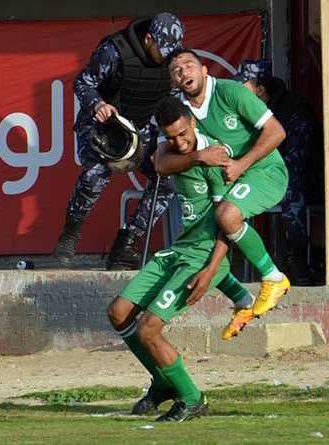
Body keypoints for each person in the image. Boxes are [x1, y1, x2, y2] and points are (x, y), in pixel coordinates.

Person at [106, 96, 246, 421]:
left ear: (193, 123)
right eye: (172, 137)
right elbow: (159, 162)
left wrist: (211, 271)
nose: (180, 142)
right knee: (118, 313)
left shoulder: (218, 157)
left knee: (148, 330)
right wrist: (191, 154)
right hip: (179, 249)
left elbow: (230, 221)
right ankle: (163, 383)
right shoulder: (177, 151)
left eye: (184, 134)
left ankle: (193, 398)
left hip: (201, 256)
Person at [155, 49, 291, 333]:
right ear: (173, 80)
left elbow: (277, 132)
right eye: (176, 70)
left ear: (204, 70)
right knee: (201, 241)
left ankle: (273, 277)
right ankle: (243, 300)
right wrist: (198, 157)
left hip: (264, 172)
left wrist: (241, 164)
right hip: (224, 184)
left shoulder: (230, 92)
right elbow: (160, 163)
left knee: (227, 216)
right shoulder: (179, 111)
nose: (184, 72)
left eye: (189, 66)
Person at [53, 13, 182, 270]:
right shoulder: (113, 52)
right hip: (103, 124)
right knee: (97, 173)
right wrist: (98, 104)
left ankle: (127, 243)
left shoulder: (174, 62)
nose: (166, 57)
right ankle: (70, 232)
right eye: (162, 50)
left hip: (141, 127)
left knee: (168, 178)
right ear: (148, 39)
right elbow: (82, 83)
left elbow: (174, 99)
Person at [234, 60, 323, 285]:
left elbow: (295, 163)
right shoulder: (251, 112)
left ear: (260, 90)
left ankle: (298, 260)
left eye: (243, 88)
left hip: (308, 181)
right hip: (269, 176)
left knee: (291, 184)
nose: (237, 94)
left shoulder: (294, 112)